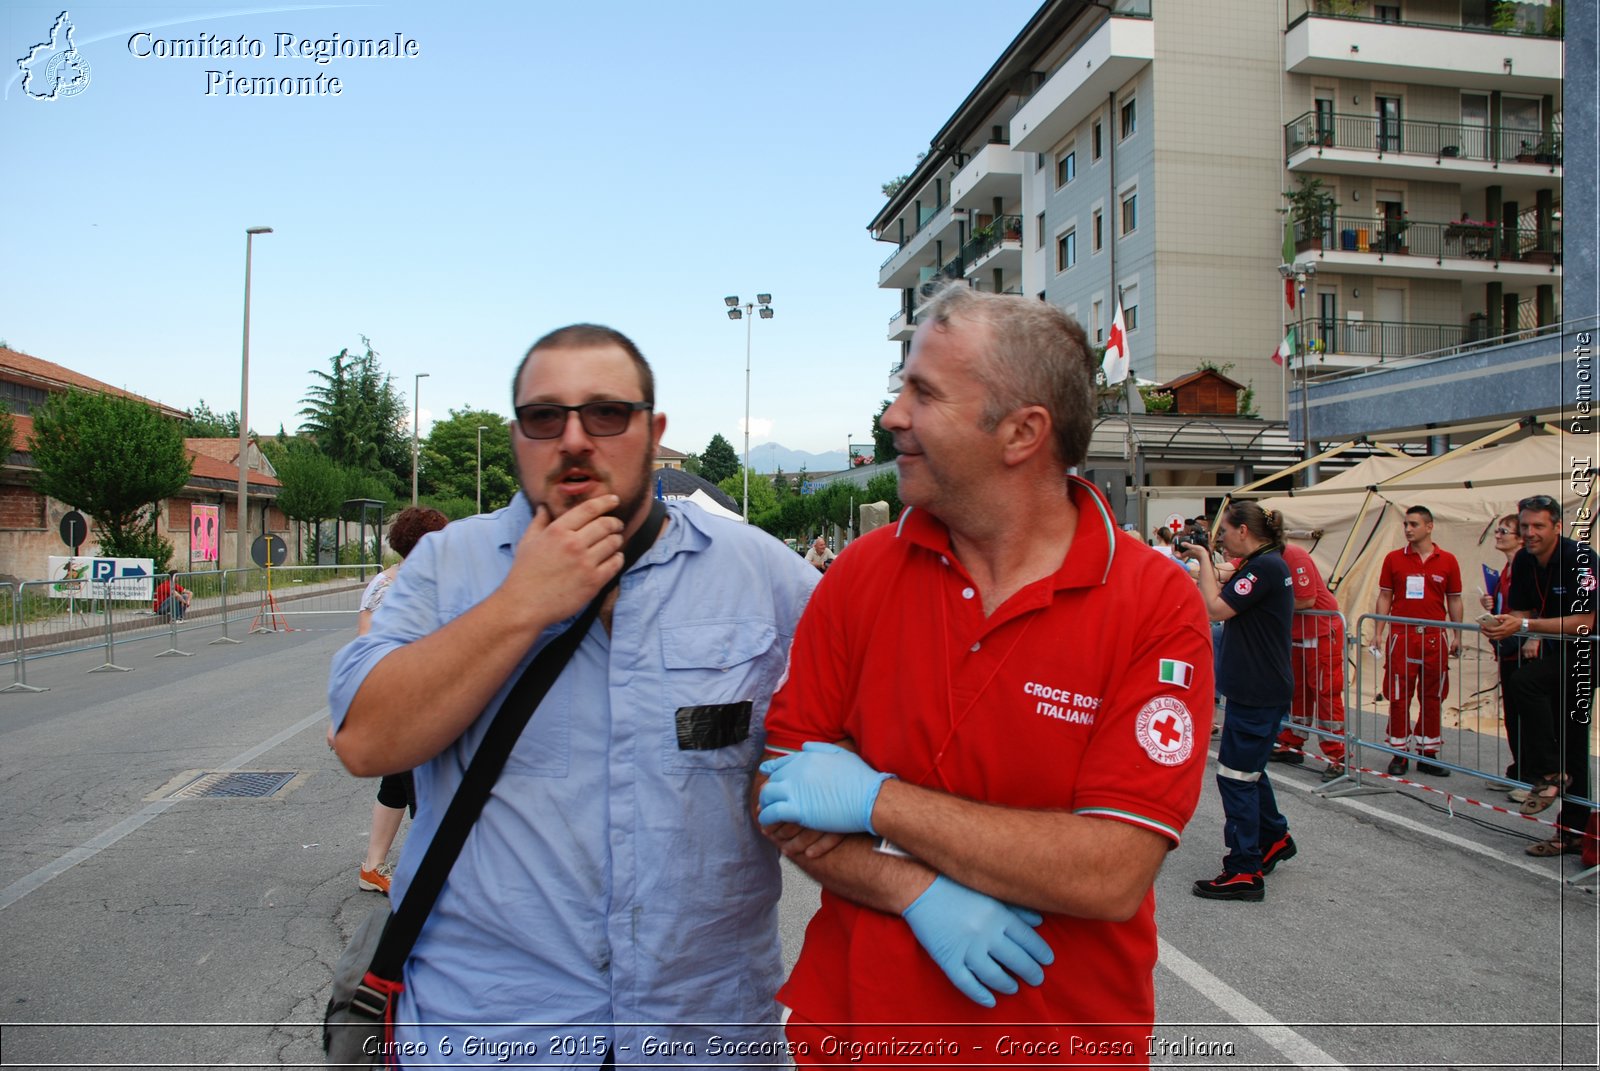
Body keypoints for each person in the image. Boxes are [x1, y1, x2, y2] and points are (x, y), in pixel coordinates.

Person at [328, 324, 819, 1062]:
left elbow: (873, 745)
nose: (575, 438)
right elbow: (365, 741)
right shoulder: (449, 567)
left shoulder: (763, 576)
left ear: (654, 433)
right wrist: (520, 603)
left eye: (607, 414)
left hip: (704, 1034)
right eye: (544, 417)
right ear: (519, 435)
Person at [753, 285, 1213, 1063]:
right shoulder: (862, 573)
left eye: (922, 391)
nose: (893, 415)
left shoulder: (1153, 602)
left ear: (1021, 431)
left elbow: (1107, 869)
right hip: (856, 1035)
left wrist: (878, 801)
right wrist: (915, 890)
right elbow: (784, 797)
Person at [1179, 501, 1295, 903]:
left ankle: (1244, 867)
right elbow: (1231, 580)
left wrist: (1202, 562)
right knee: (1249, 772)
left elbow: (1215, 608)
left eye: (1224, 532)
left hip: (1256, 690)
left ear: (1243, 530)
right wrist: (1210, 564)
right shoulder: (1266, 562)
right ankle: (1274, 836)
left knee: (1235, 777)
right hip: (1259, 688)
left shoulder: (1265, 567)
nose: (1222, 540)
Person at [1481, 495, 1596, 854]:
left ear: (1557, 527)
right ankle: (1573, 832)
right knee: (1572, 742)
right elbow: (1519, 609)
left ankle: (1548, 773)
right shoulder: (1525, 562)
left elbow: (1585, 622)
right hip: (1553, 654)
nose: (1529, 533)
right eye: (1525, 526)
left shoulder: (1581, 560)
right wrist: (1501, 624)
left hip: (1585, 654)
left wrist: (1527, 624)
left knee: (1526, 685)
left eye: (1538, 526)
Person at [351, 505, 449, 895]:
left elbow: (364, 644)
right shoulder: (426, 586)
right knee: (424, 791)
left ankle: (372, 867)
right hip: (414, 703)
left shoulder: (381, 583)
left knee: (395, 784)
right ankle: (429, 879)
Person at [1373, 505, 1463, 776]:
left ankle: (1428, 752)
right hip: (1402, 634)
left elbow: (1454, 599)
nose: (1408, 529)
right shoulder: (1393, 559)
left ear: (1429, 526)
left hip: (1435, 636)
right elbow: (1385, 596)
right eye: (1406, 525)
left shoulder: (1447, 560)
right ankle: (1399, 752)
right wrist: (1378, 631)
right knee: (1399, 693)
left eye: (1413, 524)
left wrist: (1457, 633)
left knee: (1433, 695)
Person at [1271, 542, 1348, 781]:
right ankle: (1293, 742)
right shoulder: (1268, 557)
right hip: (1297, 635)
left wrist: (1268, 602)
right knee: (1298, 691)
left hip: (1321, 632)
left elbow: (1306, 599)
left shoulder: (1294, 556)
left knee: (1326, 693)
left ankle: (1337, 755)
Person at [1479, 513, 1527, 797]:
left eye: (1503, 531)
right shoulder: (1507, 570)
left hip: (1524, 650)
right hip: (1508, 650)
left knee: (1527, 716)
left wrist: (1532, 637)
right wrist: (1490, 602)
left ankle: (1533, 777)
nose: (1497, 535)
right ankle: (1519, 769)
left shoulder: (1525, 567)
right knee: (1513, 715)